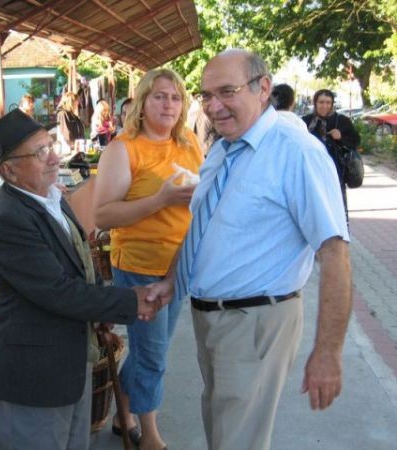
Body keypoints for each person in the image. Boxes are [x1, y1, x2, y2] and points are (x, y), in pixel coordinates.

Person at [147, 49, 352, 450]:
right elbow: (203, 224)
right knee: (223, 432)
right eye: (207, 95)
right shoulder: (224, 148)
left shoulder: (297, 152)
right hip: (212, 318)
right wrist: (173, 280)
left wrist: (328, 352)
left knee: (236, 441)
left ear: (263, 88)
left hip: (255, 320)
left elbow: (335, 254)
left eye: (227, 92)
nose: (213, 107)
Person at [0, 108, 162, 450]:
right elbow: (58, 291)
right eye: (39, 153)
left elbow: (79, 265)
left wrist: (101, 310)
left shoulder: (50, 198)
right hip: (34, 378)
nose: (53, 157)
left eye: (50, 145)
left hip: (69, 364)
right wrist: (129, 301)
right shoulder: (9, 220)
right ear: (9, 170)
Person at [93, 68, 204, 450]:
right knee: (153, 355)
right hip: (140, 266)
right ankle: (150, 435)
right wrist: (161, 199)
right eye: (159, 96)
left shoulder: (188, 141)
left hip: (180, 265)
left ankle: (121, 416)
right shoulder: (123, 149)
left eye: (175, 97)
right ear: (142, 102)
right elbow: (103, 216)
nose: (169, 104)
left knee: (149, 350)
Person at [302, 88, 361, 222]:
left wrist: (340, 137)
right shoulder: (306, 121)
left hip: (336, 171)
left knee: (337, 209)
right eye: (321, 102)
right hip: (311, 171)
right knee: (313, 208)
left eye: (328, 102)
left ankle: (339, 232)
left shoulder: (341, 121)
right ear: (315, 103)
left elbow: (355, 141)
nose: (325, 106)